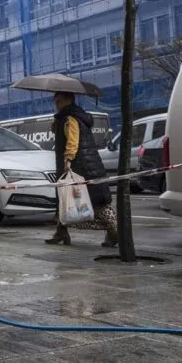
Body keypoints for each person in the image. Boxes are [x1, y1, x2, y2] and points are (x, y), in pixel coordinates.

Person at [45, 92, 118, 247]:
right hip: (86, 164)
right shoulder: (68, 117)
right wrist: (55, 126)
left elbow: (73, 141)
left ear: (69, 100)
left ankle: (114, 231)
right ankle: (61, 232)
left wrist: (68, 159)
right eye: (55, 101)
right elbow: (64, 136)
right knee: (65, 199)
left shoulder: (70, 118)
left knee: (95, 201)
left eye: (59, 101)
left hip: (82, 166)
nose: (57, 104)